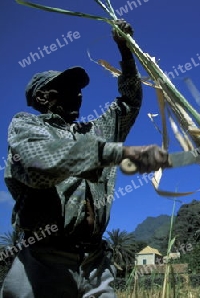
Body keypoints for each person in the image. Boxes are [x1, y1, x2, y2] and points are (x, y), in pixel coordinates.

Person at [0, 20, 169, 297]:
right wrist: (118, 153)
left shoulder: (95, 131)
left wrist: (125, 51)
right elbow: (40, 164)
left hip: (95, 264)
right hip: (44, 261)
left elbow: (129, 103)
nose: (78, 94)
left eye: (78, 88)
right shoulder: (27, 126)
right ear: (42, 97)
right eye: (66, 87)